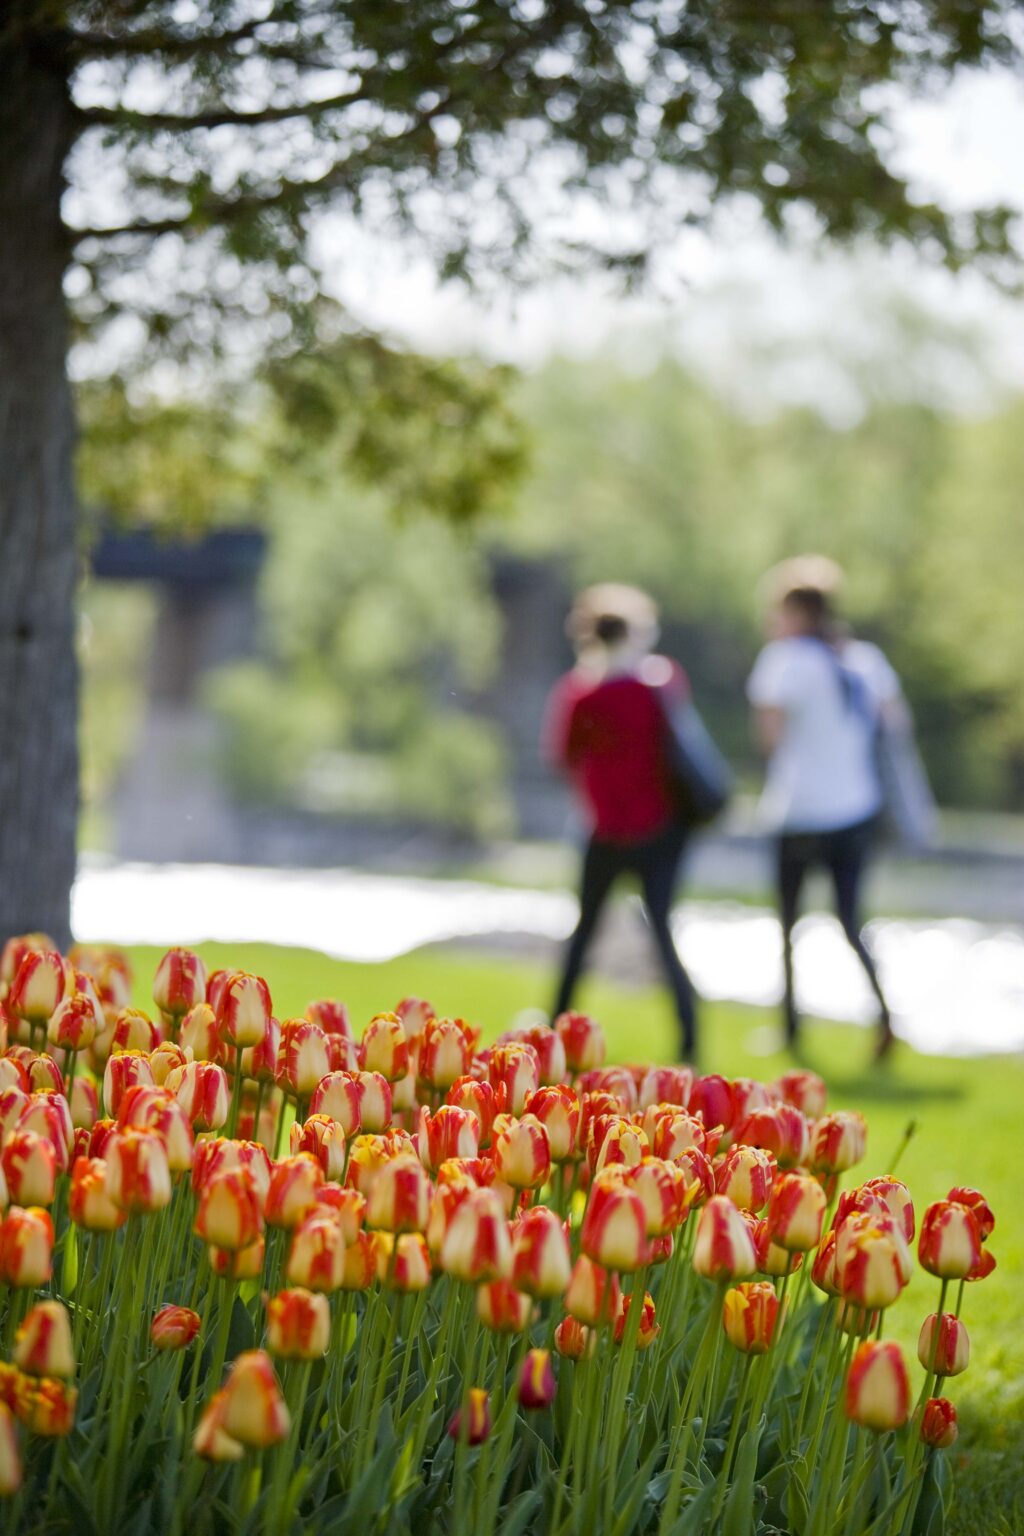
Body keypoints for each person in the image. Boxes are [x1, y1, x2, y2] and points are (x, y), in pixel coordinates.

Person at [747, 556, 897, 1060]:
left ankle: (790, 1030)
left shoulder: (784, 660)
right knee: (852, 919)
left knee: (788, 924)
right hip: (856, 807)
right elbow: (894, 723)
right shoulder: (864, 659)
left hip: (800, 811)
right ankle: (885, 1017)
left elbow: (769, 739)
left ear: (794, 610)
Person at [544, 584, 698, 1060]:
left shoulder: (581, 692)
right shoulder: (660, 683)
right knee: (662, 932)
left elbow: (562, 756)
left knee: (584, 933)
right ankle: (689, 1038)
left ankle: (554, 1033)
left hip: (606, 829)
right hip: (660, 829)